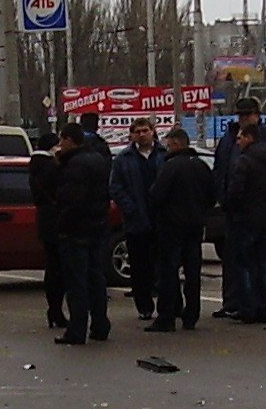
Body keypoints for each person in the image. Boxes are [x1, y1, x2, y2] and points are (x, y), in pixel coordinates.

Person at [212, 96, 266, 318]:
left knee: (254, 262)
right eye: (240, 115)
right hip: (237, 213)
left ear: (258, 115)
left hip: (254, 212)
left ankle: (254, 306)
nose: (244, 119)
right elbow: (220, 170)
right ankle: (233, 302)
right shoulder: (230, 139)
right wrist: (223, 196)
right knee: (233, 261)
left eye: (248, 115)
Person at [145, 124, 215, 332]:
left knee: (168, 271)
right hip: (195, 226)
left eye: (168, 145)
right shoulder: (201, 166)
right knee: (193, 273)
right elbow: (212, 195)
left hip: (171, 227)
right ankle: (191, 315)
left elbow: (156, 195)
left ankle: (166, 316)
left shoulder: (170, 167)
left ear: (176, 144)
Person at [51, 121, 113, 345]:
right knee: (97, 279)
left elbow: (71, 200)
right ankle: (100, 325)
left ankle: (77, 330)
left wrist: (62, 226)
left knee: (77, 283)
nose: (59, 145)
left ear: (69, 140)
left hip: (76, 231)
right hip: (97, 227)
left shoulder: (74, 165)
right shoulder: (98, 160)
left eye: (62, 140)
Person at [108, 117, 165, 321]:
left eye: (145, 130)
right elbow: (115, 187)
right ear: (132, 134)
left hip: (161, 220)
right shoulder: (124, 158)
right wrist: (130, 208)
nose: (142, 134)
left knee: (164, 265)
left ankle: (168, 306)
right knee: (140, 268)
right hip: (135, 221)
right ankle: (144, 306)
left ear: (153, 131)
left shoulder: (163, 155)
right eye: (138, 131)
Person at [28, 131, 66, 329]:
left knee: (52, 267)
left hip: (45, 220)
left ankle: (54, 310)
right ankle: (56, 311)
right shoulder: (51, 167)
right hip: (57, 220)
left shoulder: (34, 166)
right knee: (60, 269)